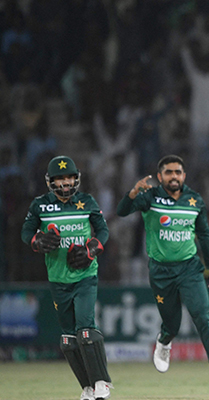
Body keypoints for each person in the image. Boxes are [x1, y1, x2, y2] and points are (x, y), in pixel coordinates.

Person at [116, 155, 209, 397]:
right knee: (173, 324)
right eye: (169, 173)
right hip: (161, 272)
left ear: (184, 176)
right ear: (160, 177)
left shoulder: (194, 200)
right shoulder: (150, 197)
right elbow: (122, 212)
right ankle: (164, 340)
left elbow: (204, 236)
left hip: (190, 269)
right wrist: (132, 194)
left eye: (178, 172)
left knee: (203, 317)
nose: (174, 176)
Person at [21, 156, 112, 400]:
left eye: (69, 177)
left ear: (76, 178)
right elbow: (26, 232)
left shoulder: (87, 201)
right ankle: (88, 388)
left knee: (85, 329)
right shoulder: (40, 205)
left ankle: (102, 382)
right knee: (68, 340)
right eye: (60, 178)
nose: (65, 183)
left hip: (85, 275)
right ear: (50, 181)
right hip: (58, 278)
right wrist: (37, 240)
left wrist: (93, 248)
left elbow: (102, 230)